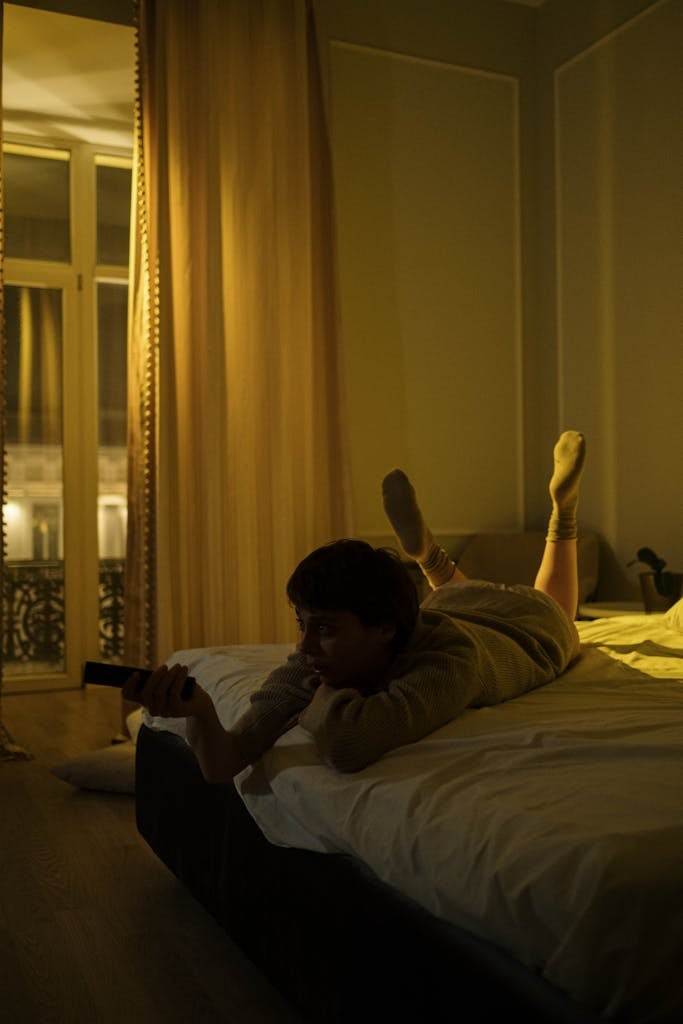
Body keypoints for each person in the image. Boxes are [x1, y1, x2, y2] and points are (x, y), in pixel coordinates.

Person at [124, 430, 586, 777]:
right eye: (302, 623)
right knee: (450, 593)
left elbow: (348, 745)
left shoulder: (451, 663)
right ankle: (428, 557)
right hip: (451, 603)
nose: (304, 646)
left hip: (528, 624)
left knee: (558, 610)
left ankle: (561, 513)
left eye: (324, 628)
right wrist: (201, 711)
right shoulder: (324, 650)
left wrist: (314, 694)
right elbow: (224, 763)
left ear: (384, 628)